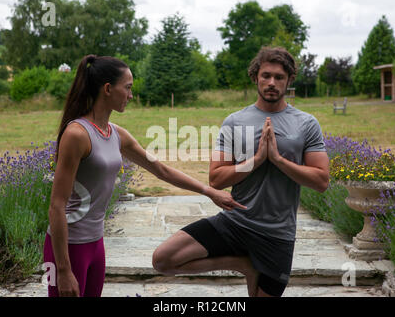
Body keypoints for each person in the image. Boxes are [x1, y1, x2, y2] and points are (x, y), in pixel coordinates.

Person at [44, 55, 246, 297]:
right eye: (127, 88)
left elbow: (161, 170)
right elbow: (57, 205)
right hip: (68, 248)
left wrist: (209, 191)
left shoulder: (117, 134)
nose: (131, 95)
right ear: (108, 89)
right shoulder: (76, 134)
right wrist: (64, 270)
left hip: (96, 245)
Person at [152, 47, 330, 297]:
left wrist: (277, 159)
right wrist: (257, 160)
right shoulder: (235, 121)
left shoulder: (306, 123)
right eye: (266, 75)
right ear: (255, 76)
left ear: (289, 80)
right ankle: (242, 264)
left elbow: (321, 180)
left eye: (279, 77)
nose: (271, 83)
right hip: (235, 223)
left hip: (277, 235)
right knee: (163, 259)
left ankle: (251, 265)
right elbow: (216, 179)